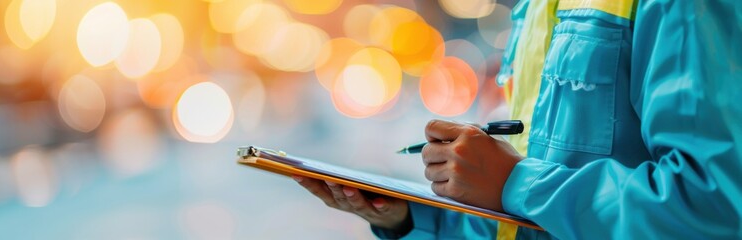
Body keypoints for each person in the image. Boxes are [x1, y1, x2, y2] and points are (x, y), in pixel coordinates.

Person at [296, 0, 742, 239]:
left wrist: (515, 181)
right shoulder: (536, 9)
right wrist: (413, 219)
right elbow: (531, 222)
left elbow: (714, 208)